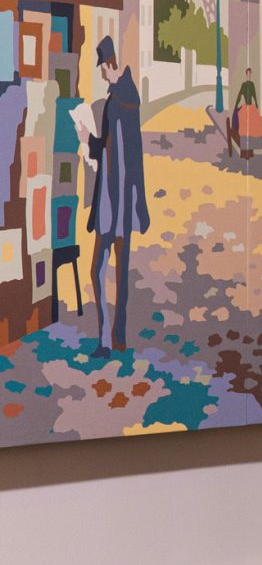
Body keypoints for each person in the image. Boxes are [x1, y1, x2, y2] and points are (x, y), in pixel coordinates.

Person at [86, 37, 149, 358]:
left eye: (103, 68)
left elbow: (119, 151)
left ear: (111, 65)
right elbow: (120, 151)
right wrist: (92, 140)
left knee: (99, 269)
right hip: (122, 202)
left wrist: (89, 140)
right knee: (117, 271)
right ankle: (115, 337)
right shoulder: (125, 99)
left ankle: (107, 339)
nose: (101, 74)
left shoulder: (119, 100)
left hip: (114, 202)